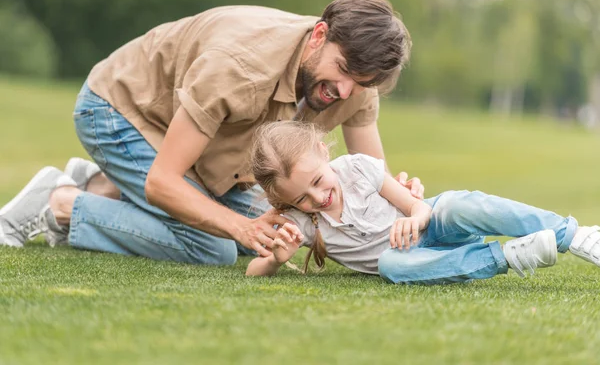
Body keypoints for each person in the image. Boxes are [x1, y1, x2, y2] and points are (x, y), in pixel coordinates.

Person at [0, 0, 425, 265]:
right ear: (319, 35)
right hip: (120, 110)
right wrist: (238, 227)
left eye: (362, 83)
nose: (345, 90)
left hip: (195, 145)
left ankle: (99, 184)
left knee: (270, 229)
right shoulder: (241, 68)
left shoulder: (357, 81)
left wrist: (399, 199)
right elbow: (163, 182)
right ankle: (63, 203)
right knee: (215, 246)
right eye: (343, 70)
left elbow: (369, 176)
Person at [245, 121, 600, 284]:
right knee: (390, 265)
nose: (318, 198)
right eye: (300, 199)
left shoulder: (356, 168)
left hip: (433, 224)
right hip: (416, 258)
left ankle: (574, 235)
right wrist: (276, 261)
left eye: (318, 182)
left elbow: (419, 206)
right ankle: (509, 257)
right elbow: (252, 271)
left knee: (462, 205)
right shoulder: (302, 223)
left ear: (323, 151)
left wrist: (414, 219)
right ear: (284, 200)